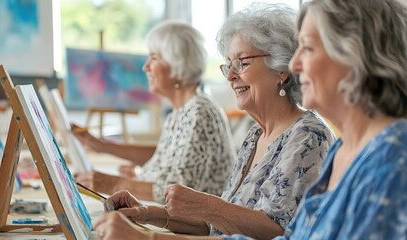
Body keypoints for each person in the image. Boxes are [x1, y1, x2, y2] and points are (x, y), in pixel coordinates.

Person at [93, 3, 335, 240]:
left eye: (242, 62)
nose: (230, 76)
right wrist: (147, 214)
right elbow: (220, 225)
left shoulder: (309, 136)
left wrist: (207, 205)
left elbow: (279, 231)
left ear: (281, 68)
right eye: (229, 64)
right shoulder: (255, 136)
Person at [73, 21, 236, 204]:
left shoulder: (199, 113)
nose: (146, 67)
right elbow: (165, 158)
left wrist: (112, 183)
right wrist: (108, 150)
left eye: (154, 58)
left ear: (177, 65)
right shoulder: (181, 111)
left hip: (197, 228)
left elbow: (177, 191)